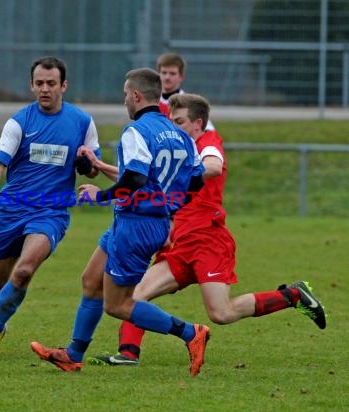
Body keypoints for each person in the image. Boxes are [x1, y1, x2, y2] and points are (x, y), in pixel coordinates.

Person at [87, 93, 327, 367]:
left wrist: (192, 172)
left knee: (221, 313)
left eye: (179, 122)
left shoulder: (206, 144)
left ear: (198, 123)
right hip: (181, 244)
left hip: (208, 241)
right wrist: (101, 166)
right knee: (135, 296)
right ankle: (128, 353)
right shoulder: (177, 147)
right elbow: (144, 179)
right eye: (172, 121)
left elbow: (213, 166)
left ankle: (294, 296)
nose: (174, 127)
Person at [30, 68, 210, 376]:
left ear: (137, 96)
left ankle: (191, 333)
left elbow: (136, 179)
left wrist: (99, 196)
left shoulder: (136, 132)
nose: (125, 100)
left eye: (126, 94)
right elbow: (195, 184)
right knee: (90, 280)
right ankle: (73, 355)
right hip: (139, 222)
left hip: (135, 226)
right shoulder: (180, 135)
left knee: (117, 305)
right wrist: (166, 211)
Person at [0, 56, 101, 358]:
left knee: (25, 270)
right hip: (12, 210)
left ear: (63, 86)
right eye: (39, 83)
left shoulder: (82, 122)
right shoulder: (19, 122)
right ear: (32, 86)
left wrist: (86, 165)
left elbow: (93, 167)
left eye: (51, 84)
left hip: (51, 213)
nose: (45, 89)